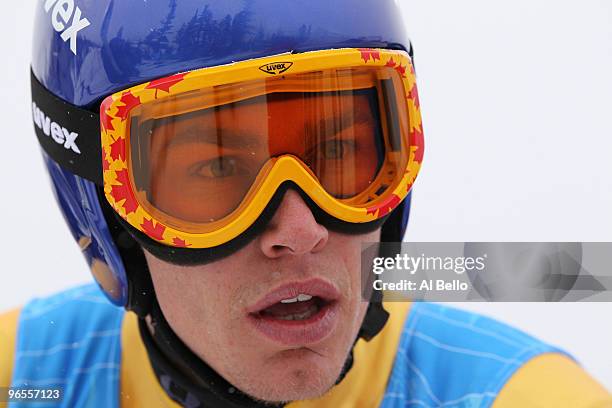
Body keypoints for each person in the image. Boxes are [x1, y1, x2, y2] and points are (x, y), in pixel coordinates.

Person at [1, 1, 610, 407]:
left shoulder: (528, 396)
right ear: (106, 212)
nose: (300, 230)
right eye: (217, 169)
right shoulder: (21, 380)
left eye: (342, 153)